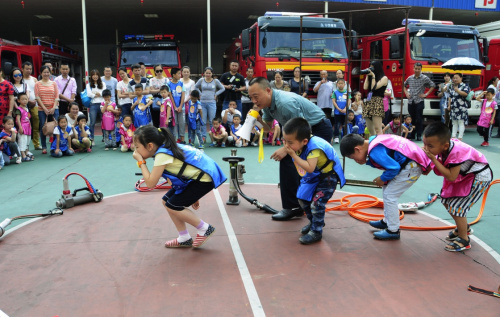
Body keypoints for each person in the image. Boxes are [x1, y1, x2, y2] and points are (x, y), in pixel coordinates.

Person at [248, 77, 333, 221]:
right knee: (292, 162)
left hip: (318, 129)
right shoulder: (268, 105)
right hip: (304, 131)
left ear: (268, 91)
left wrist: (286, 149)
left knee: (298, 162)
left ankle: (295, 206)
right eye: (251, 97)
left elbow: (302, 131)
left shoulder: (285, 103)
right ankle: (299, 204)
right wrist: (258, 120)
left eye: (256, 97)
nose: (254, 101)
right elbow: (269, 129)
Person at [132, 125, 226, 248]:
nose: (135, 150)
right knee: (166, 202)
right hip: (200, 176)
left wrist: (140, 161)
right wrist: (192, 195)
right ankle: (184, 237)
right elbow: (176, 177)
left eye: (137, 147)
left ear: (150, 146)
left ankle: (204, 229)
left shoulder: (162, 155)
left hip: (204, 178)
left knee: (173, 206)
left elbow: (150, 183)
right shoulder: (166, 147)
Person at [339, 133, 431, 240]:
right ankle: (388, 221)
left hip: (411, 167)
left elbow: (393, 168)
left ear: (357, 149)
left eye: (353, 157)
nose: (356, 161)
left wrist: (382, 178)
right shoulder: (375, 140)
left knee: (390, 195)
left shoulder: (374, 151)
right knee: (387, 190)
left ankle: (393, 230)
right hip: (410, 163)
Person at [422, 122, 492, 252]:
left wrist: (433, 159)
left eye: (430, 146)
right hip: (465, 176)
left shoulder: (455, 153)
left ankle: (464, 239)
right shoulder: (442, 147)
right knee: (446, 200)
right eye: (424, 144)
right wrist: (429, 166)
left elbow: (451, 177)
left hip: (479, 178)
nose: (426, 148)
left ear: (445, 145)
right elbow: (439, 159)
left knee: (457, 207)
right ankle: (464, 227)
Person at [282, 117, 346, 244]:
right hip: (316, 175)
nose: (286, 146)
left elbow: (310, 168)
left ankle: (316, 231)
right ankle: (314, 222)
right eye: (285, 141)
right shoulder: (300, 143)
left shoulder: (314, 148)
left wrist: (293, 155)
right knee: (302, 198)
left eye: (290, 142)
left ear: (304, 141)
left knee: (317, 203)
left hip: (328, 177)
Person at [404, 63, 436, 141]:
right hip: (411, 101)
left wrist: (426, 94)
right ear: (413, 69)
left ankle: (419, 135)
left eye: (418, 69)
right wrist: (406, 93)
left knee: (419, 118)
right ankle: (412, 134)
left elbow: (433, 85)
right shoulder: (410, 78)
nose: (417, 70)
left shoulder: (424, 78)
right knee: (412, 119)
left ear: (421, 69)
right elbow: (404, 85)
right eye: (416, 68)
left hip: (419, 101)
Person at [195, 67, 225, 142]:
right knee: (203, 121)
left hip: (212, 102)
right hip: (202, 102)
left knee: (212, 120)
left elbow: (222, 88)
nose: (208, 74)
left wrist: (216, 94)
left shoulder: (215, 81)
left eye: (209, 73)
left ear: (212, 74)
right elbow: (195, 87)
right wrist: (200, 93)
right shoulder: (201, 80)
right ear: (204, 73)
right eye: (206, 73)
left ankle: (214, 136)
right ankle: (203, 137)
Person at [35, 65, 60, 154]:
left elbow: (57, 96)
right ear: (41, 73)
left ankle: (55, 145)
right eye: (44, 72)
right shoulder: (37, 84)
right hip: (42, 109)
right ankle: (44, 147)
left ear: (50, 73)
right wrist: (44, 108)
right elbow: (37, 97)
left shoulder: (54, 83)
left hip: (54, 108)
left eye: (47, 72)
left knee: (55, 127)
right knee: (43, 127)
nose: (46, 74)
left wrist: (53, 107)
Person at [363, 61, 387, 136]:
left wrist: (373, 76)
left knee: (377, 128)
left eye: (373, 67)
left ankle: (380, 144)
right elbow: (365, 87)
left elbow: (374, 88)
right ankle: (373, 143)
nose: (371, 69)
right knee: (370, 128)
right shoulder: (370, 78)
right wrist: (368, 76)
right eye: (370, 67)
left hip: (377, 102)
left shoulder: (384, 78)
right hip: (369, 101)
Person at [22, 61, 41, 150]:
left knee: (36, 125)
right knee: (25, 125)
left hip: (35, 105)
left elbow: (38, 92)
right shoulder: (20, 79)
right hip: (24, 106)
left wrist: (35, 101)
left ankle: (36, 144)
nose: (29, 71)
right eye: (27, 69)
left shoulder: (34, 79)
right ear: (22, 69)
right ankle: (25, 146)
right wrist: (28, 101)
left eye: (30, 69)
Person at [85, 69, 106, 143]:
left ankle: (104, 137)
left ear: (99, 76)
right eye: (93, 75)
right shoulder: (89, 84)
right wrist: (98, 94)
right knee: (92, 122)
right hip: (93, 105)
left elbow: (104, 93)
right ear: (91, 76)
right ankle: (92, 138)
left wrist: (95, 94)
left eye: (96, 75)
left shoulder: (103, 83)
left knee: (104, 121)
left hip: (102, 104)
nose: (95, 76)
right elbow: (89, 94)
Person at [448, 73, 470, 141]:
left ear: (461, 78)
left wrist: (458, 90)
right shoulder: (452, 86)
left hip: (461, 107)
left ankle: (460, 137)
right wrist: (449, 105)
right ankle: (453, 137)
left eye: (456, 78)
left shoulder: (465, 85)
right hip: (454, 107)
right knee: (454, 122)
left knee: (461, 122)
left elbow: (465, 94)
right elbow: (450, 97)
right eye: (454, 78)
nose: (455, 79)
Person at [168, 67, 186, 143]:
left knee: (182, 123)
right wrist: (175, 107)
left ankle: (182, 139)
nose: (180, 75)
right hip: (173, 108)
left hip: (181, 107)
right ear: (173, 75)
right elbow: (170, 95)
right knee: (174, 123)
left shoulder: (181, 83)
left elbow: (183, 95)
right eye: (178, 73)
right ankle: (174, 140)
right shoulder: (168, 84)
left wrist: (181, 106)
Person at [14, 93, 33, 161]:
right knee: (22, 140)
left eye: (26, 99)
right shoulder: (19, 109)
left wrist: (30, 124)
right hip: (23, 127)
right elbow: (18, 119)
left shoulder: (27, 108)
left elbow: (28, 118)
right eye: (22, 99)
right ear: (18, 100)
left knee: (27, 140)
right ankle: (23, 155)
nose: (24, 101)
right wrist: (20, 127)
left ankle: (26, 152)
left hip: (28, 127)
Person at [332, 78, 351, 143]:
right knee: (337, 124)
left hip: (345, 113)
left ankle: (344, 137)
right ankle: (336, 137)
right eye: (339, 83)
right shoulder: (335, 92)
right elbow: (334, 101)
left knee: (344, 125)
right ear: (337, 84)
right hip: (337, 112)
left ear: (344, 84)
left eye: (342, 83)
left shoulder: (346, 92)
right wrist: (338, 108)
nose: (340, 85)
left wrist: (345, 108)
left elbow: (348, 101)